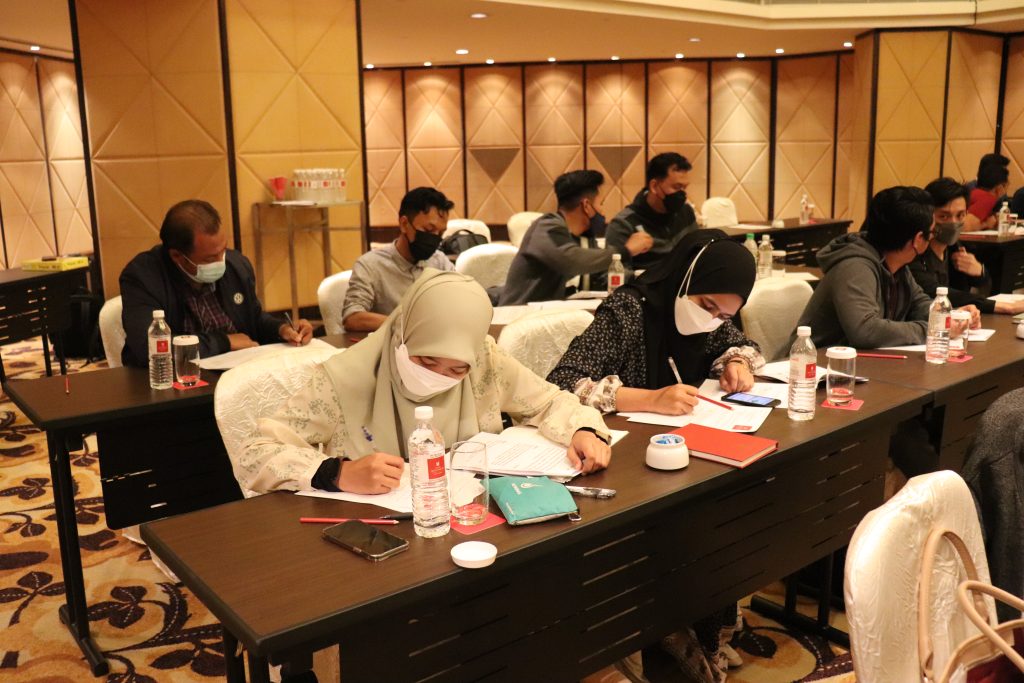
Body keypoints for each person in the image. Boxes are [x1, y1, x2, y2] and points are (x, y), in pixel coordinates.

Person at [237, 270, 612, 496]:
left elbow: (548, 401)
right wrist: (336, 472)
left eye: (456, 370)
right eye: (426, 361)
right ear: (401, 334)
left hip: (471, 519)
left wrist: (583, 429)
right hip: (375, 538)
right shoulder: (343, 380)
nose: (437, 377)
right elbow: (254, 453)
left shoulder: (483, 359)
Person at [548, 229, 762, 416]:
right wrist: (651, 399)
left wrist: (737, 363)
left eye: (724, 316)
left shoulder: (715, 320)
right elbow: (562, 382)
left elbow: (746, 346)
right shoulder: (628, 310)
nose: (710, 320)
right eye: (707, 305)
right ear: (685, 280)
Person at [120, 199, 312, 368]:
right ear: (177, 256)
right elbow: (150, 347)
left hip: (237, 373)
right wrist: (224, 342)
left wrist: (282, 329)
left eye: (223, 250)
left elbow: (253, 319)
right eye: (210, 258)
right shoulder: (143, 277)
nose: (221, 261)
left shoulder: (236, 266)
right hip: (176, 381)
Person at [796, 186, 979, 350]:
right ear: (917, 239)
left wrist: (950, 316)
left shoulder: (897, 262)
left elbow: (918, 303)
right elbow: (865, 331)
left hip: (860, 364)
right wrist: (933, 329)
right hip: (812, 365)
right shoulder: (854, 267)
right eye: (931, 232)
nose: (932, 237)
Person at [498, 170, 653, 305]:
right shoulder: (546, 227)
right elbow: (571, 260)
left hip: (545, 315)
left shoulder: (582, 238)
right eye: (601, 204)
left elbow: (601, 275)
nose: (603, 212)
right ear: (586, 205)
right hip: (517, 315)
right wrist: (626, 250)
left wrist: (641, 277)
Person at [342, 187, 455, 332]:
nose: (434, 239)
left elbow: (460, 302)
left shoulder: (440, 262)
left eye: (440, 233)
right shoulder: (370, 265)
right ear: (404, 224)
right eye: (428, 230)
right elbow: (353, 318)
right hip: (390, 344)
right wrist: (407, 323)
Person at [912, 178, 1024, 315]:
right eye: (943, 216)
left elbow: (984, 283)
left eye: (960, 215)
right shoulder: (915, 251)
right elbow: (936, 292)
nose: (953, 222)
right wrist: (1001, 306)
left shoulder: (956, 248)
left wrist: (980, 271)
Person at [605, 152, 699, 273]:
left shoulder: (686, 212)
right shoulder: (624, 224)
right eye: (676, 187)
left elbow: (697, 255)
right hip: (644, 284)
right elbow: (612, 274)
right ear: (654, 186)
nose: (682, 194)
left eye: (684, 188)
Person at [965, 163, 1010, 232]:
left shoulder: (976, 192)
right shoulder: (987, 199)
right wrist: (986, 224)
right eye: (1007, 186)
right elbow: (966, 226)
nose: (1005, 191)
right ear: (1000, 187)